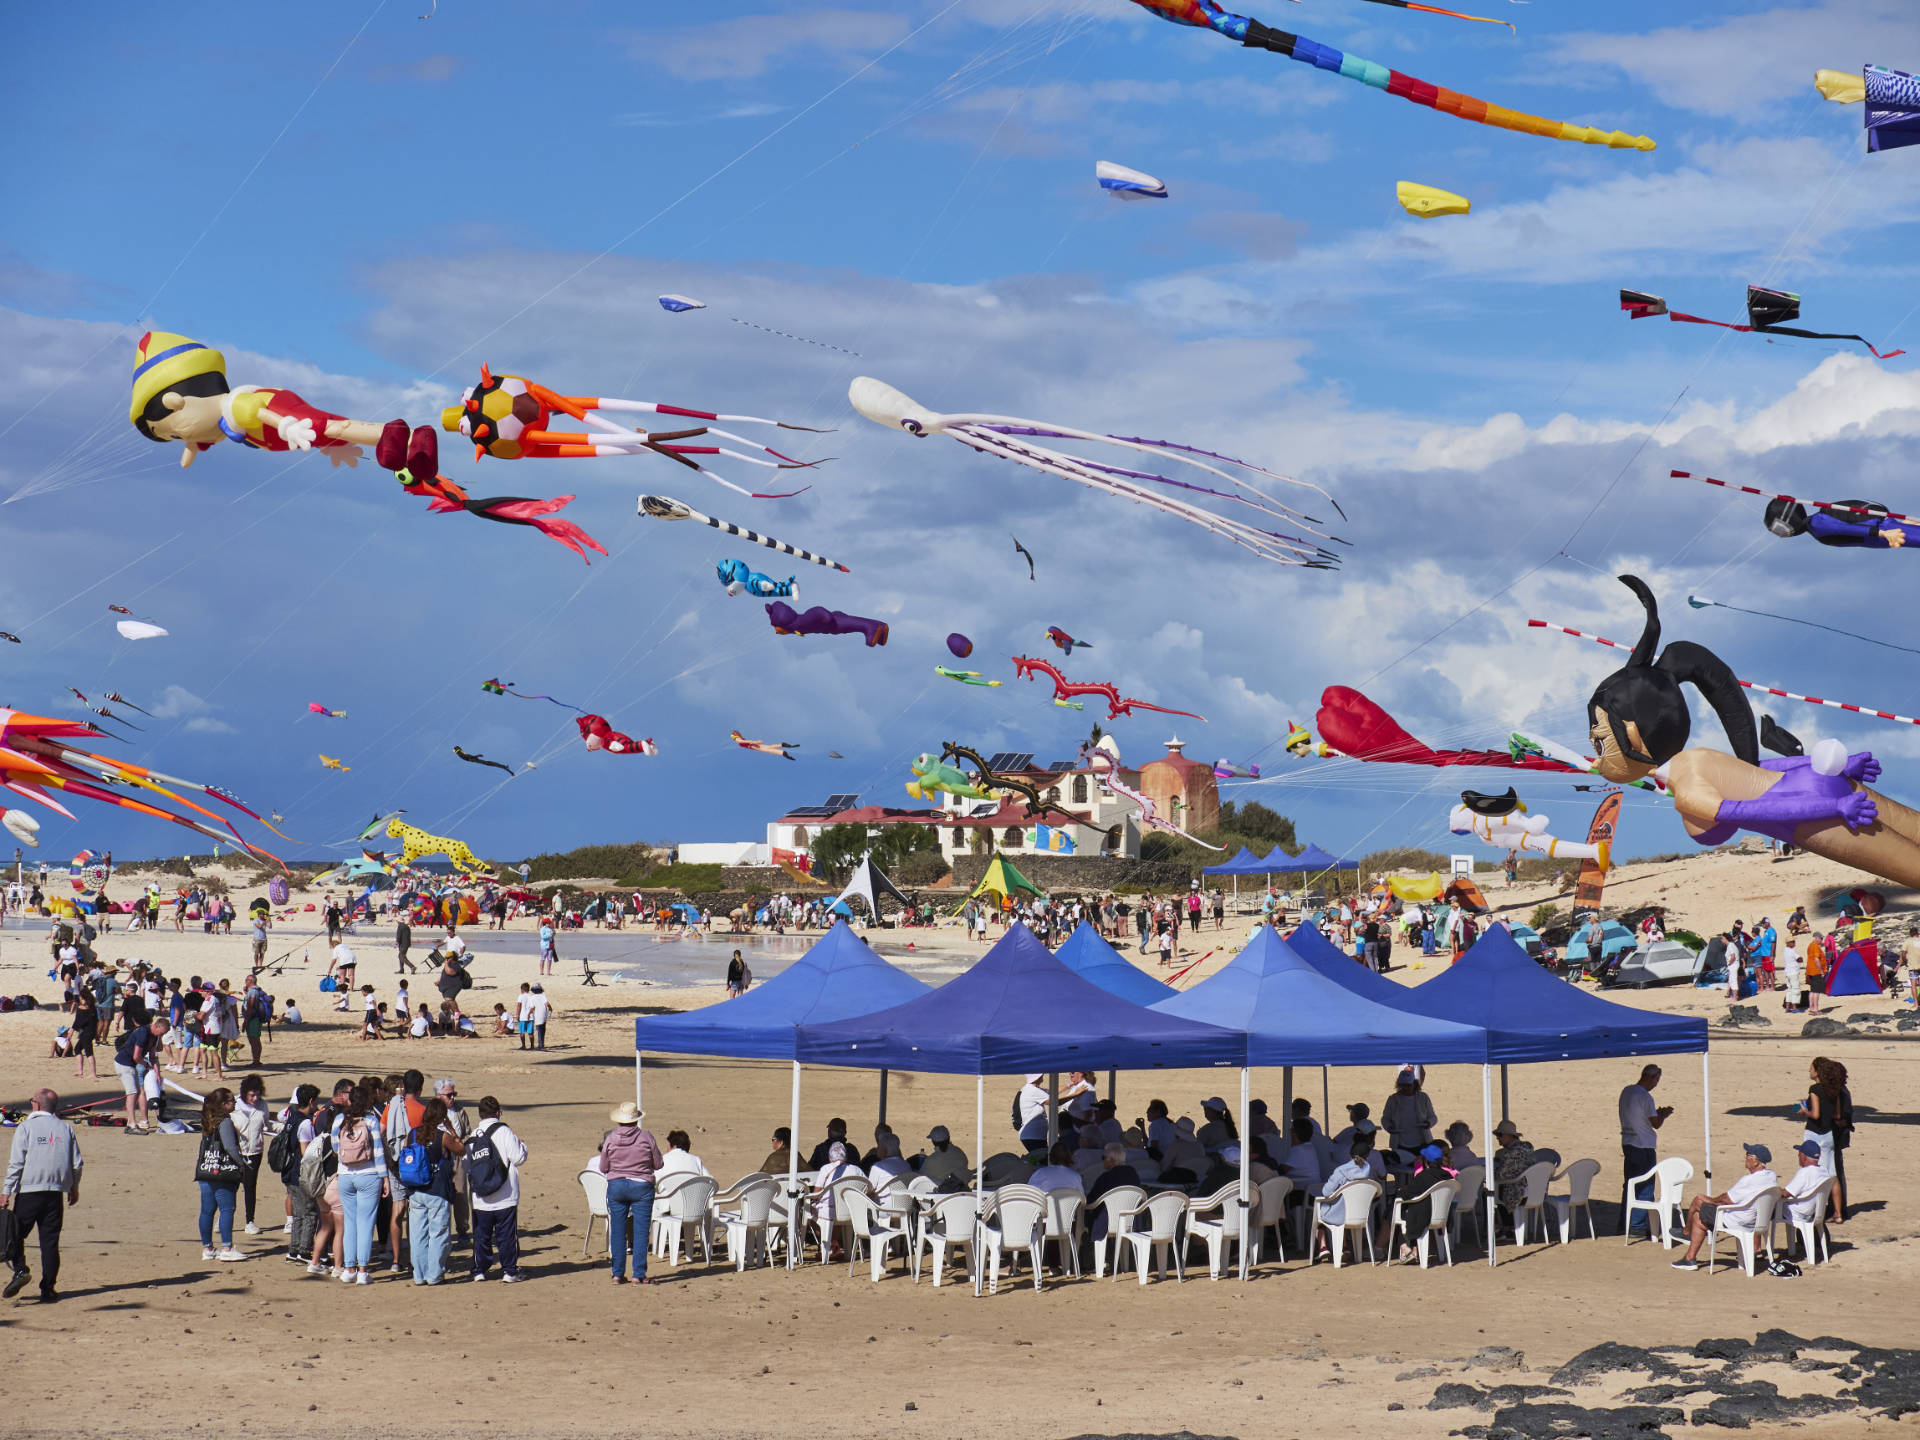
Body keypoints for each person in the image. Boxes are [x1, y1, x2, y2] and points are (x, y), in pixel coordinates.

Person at [3, 1088, 82, 1303]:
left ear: (36, 1104)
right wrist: (73, 1187)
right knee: (50, 1242)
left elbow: (17, 1162)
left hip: (30, 1191)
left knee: (13, 1236)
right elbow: (76, 1164)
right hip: (55, 1193)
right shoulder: (65, 1129)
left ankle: (21, 1269)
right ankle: (48, 1288)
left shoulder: (26, 1127)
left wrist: (6, 1191)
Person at [1670, 1143, 1779, 1271]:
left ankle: (1686, 1233)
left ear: (1756, 1161)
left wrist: (1712, 1201)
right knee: (1698, 1219)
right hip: (1758, 1220)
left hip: (1738, 1220)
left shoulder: (1748, 1180)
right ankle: (1689, 1258)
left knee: (1698, 1200)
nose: (1745, 1158)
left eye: (1748, 1155)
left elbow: (1726, 1199)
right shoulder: (1771, 1176)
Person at [402, 1096, 464, 1286]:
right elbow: (461, 1149)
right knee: (438, 1234)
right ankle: (435, 1274)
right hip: (437, 1191)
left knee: (418, 1235)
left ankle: (419, 1275)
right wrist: (451, 1129)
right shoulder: (443, 1136)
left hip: (416, 1190)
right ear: (441, 1117)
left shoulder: (411, 1134)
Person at [331, 1083, 389, 1284]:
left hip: (345, 1176)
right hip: (369, 1175)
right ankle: (363, 1271)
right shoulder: (371, 1120)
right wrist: (385, 1178)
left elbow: (334, 1147)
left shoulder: (339, 1120)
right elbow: (379, 1151)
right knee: (366, 1223)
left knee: (350, 1222)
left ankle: (349, 1268)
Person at [467, 1095, 528, 1282]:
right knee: (506, 1235)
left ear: (480, 1114)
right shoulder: (505, 1132)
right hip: (505, 1194)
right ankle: (509, 1271)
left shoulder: (474, 1135)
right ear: (497, 1113)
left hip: (480, 1197)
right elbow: (518, 1157)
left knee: (481, 1236)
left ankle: (479, 1270)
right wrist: (523, 1146)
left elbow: (466, 1164)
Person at [600, 1101, 662, 1284]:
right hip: (642, 1186)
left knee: (618, 1231)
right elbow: (658, 1163)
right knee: (641, 1232)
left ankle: (617, 1273)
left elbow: (603, 1166)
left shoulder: (610, 1138)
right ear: (636, 1120)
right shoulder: (646, 1137)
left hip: (617, 1186)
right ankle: (638, 1274)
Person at [1618, 1064, 1673, 1239]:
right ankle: (1637, 1225)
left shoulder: (1627, 1091)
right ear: (1650, 1077)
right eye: (1656, 1080)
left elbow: (1640, 1117)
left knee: (1630, 1184)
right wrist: (1663, 1115)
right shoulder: (1645, 1097)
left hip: (1628, 1142)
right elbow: (1655, 1124)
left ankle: (1625, 1222)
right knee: (1644, 1186)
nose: (1656, 1084)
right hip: (1643, 1145)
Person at [196, 1088, 250, 1262]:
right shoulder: (225, 1122)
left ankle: (208, 1248)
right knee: (227, 1208)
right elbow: (230, 1147)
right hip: (222, 1172)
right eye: (232, 1100)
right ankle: (227, 1247)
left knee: (207, 1211)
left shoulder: (207, 1121)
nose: (235, 1103)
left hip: (206, 1170)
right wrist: (242, 1164)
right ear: (223, 1105)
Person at [1799, 1057, 1852, 1221]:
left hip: (1815, 1133)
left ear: (1818, 1072)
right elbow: (1836, 1115)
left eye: (1811, 1068)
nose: (1809, 1071)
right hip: (1829, 1134)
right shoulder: (1835, 1090)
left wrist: (1803, 1111)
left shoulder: (1815, 1089)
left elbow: (1815, 1114)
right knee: (1832, 1174)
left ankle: (1813, 1209)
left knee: (1810, 1170)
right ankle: (1838, 1213)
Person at [1393, 1143, 1455, 1263]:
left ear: (1426, 1161)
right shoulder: (1447, 1176)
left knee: (1399, 1209)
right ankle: (1414, 1248)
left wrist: (1400, 1192)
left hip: (1424, 1216)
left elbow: (1407, 1195)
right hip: (1443, 1215)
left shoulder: (1423, 1176)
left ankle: (1405, 1247)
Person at [114, 1016, 169, 1133]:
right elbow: (136, 1056)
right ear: (156, 1026)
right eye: (162, 1033)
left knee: (137, 1092)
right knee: (132, 1092)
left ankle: (131, 1122)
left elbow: (153, 1056)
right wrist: (146, 1065)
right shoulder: (143, 1032)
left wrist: (157, 1073)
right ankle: (132, 1125)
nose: (161, 1036)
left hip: (131, 1064)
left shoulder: (154, 1036)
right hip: (123, 1063)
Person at [232, 1075, 271, 1236]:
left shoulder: (263, 1106)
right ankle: (223, 1218)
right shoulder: (234, 1104)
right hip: (236, 1152)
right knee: (231, 1185)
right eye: (251, 1095)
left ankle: (249, 1221)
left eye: (257, 1094)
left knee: (250, 1186)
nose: (255, 1098)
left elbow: (267, 1125)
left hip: (255, 1152)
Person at [1780, 1139, 1832, 1256]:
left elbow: (1786, 1193)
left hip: (1798, 1212)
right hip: (1813, 1211)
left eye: (1799, 1154)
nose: (1798, 1156)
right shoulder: (1824, 1171)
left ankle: (1756, 1250)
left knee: (1763, 1209)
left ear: (1803, 1156)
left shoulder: (1805, 1172)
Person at [1490, 1119, 1536, 1233]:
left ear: (1509, 1136)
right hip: (1532, 1189)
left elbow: (1501, 1175)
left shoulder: (1511, 1153)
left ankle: (1497, 1229)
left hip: (1517, 1191)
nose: (1498, 1138)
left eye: (1499, 1135)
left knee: (1489, 1193)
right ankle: (1510, 1225)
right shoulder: (1527, 1147)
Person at [1382, 1069, 1437, 1156]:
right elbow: (1385, 1119)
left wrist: (1428, 1124)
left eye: (1408, 1085)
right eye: (1403, 1085)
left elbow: (1433, 1117)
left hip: (1422, 1143)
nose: (1405, 1088)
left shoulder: (1423, 1097)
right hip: (1399, 1144)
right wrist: (1389, 1128)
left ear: (1414, 1084)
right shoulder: (1392, 1099)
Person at [69, 985, 101, 1080]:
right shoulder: (92, 1007)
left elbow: (77, 1022)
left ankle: (93, 1073)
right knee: (78, 1049)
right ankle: (80, 1070)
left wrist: (71, 1031)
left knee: (88, 1052)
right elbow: (96, 1021)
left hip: (86, 1032)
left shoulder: (82, 1008)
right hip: (90, 1031)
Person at [526, 984, 552, 1051]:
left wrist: (528, 1014)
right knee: (543, 1030)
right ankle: (542, 1044)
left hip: (538, 1015)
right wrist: (550, 1009)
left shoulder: (532, 997)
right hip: (544, 1015)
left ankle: (541, 1045)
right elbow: (547, 1004)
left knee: (539, 1030)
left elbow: (532, 1007)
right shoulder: (543, 996)